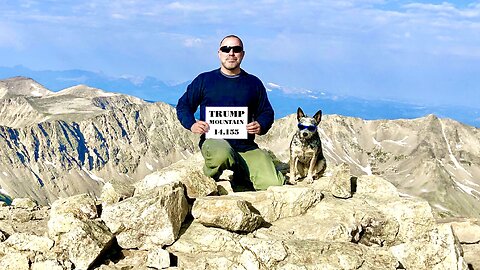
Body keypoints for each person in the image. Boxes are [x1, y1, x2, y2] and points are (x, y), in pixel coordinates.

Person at [176, 34, 284, 191]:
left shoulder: (253, 83)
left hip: (246, 146)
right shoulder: (204, 80)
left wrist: (260, 125)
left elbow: (266, 111)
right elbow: (183, 105)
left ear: (242, 54)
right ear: (219, 53)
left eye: (236, 49)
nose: (231, 53)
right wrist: (191, 124)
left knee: (274, 184)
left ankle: (241, 174)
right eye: (226, 49)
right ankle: (207, 177)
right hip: (214, 141)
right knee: (222, 154)